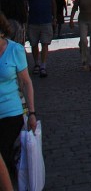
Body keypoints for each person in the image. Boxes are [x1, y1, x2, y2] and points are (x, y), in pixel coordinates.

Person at [0, 10, 36, 191]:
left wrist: (31, 113)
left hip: (11, 113)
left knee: (3, 153)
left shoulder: (14, 50)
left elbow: (26, 83)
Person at [24, 0, 55, 78]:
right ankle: (36, 63)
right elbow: (25, 1)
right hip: (33, 20)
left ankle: (43, 65)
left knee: (45, 43)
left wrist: (54, 17)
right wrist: (26, 14)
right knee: (34, 43)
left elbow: (53, 2)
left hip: (46, 19)